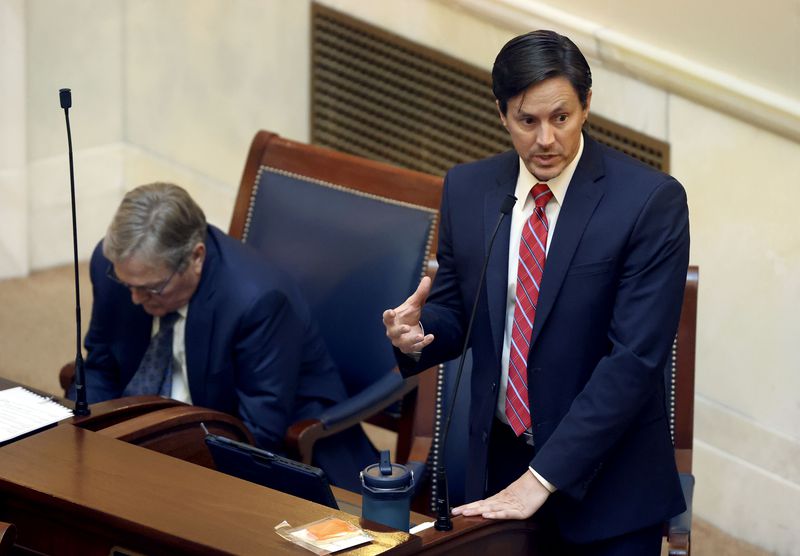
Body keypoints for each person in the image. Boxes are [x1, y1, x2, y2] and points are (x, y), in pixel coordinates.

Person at [384, 30, 689, 554]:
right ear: (502, 114)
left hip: (608, 484)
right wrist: (416, 335)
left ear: (586, 106)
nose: (546, 139)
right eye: (528, 121)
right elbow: (459, 310)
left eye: (561, 117)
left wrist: (541, 479)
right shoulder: (468, 188)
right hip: (499, 464)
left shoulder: (649, 202)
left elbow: (634, 362)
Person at [71, 182, 375, 491]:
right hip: (147, 437)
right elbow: (100, 367)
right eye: (128, 285)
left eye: (152, 288)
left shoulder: (257, 301)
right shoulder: (117, 269)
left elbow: (255, 435)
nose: (135, 298)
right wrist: (81, 438)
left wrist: (160, 470)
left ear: (196, 257)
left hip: (239, 446)